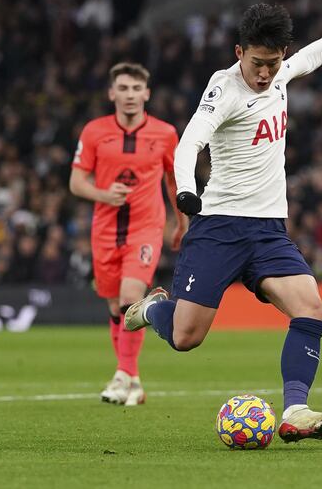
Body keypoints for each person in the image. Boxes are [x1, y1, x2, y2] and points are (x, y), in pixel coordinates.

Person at [124, 0, 322, 442]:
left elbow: (309, 59)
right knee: (186, 338)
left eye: (272, 63)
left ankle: (296, 410)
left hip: (269, 230)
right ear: (239, 52)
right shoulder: (224, 88)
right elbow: (189, 143)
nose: (264, 73)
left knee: (312, 310)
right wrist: (185, 192)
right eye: (256, 62)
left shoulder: (280, 73)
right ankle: (156, 307)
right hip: (219, 226)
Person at [70, 62, 187, 406]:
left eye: (137, 89)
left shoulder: (165, 133)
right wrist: (104, 194)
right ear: (112, 93)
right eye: (123, 88)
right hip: (105, 230)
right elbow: (76, 182)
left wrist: (181, 221)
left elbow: (173, 180)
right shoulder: (94, 132)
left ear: (147, 93)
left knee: (129, 297)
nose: (130, 95)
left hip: (145, 227)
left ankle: (121, 376)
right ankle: (133, 380)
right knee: (114, 307)